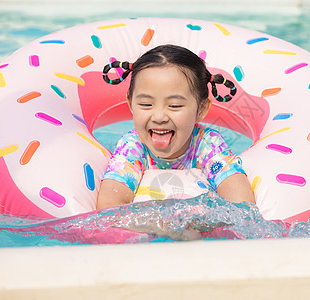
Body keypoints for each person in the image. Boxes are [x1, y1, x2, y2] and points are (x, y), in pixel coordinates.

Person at [97, 44, 255, 210]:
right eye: (145, 104)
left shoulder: (207, 144)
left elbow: (241, 204)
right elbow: (109, 207)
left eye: (174, 105)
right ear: (130, 105)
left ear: (201, 109)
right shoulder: (133, 146)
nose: (159, 117)